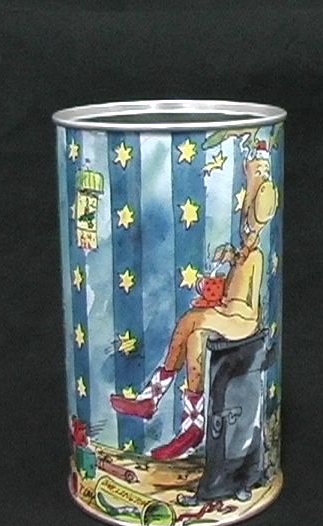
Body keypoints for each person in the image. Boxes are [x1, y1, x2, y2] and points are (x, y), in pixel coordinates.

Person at [110, 140, 278, 460]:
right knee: (194, 334)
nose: (245, 230)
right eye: (244, 223)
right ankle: (185, 420)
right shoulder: (242, 255)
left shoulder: (255, 256)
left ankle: (161, 402)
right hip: (228, 316)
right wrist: (223, 274)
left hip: (243, 322)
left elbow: (246, 305)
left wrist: (222, 303)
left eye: (249, 223)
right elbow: (230, 290)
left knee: (194, 320)